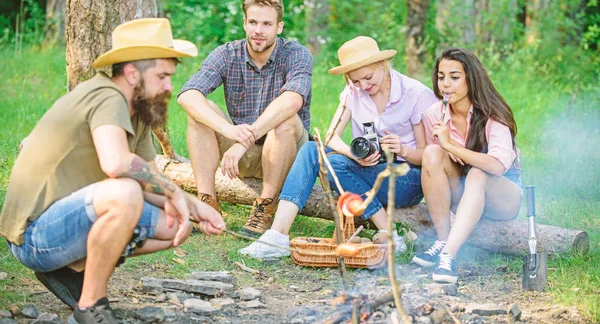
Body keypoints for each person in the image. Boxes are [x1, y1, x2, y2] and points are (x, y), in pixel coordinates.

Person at [0, 18, 225, 323]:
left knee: (173, 225)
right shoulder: (106, 95)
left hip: (65, 221)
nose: (170, 86)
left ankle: (72, 270)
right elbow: (117, 163)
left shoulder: (140, 111)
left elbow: (150, 180)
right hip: (32, 235)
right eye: (162, 76)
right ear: (132, 73)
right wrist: (174, 193)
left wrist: (195, 207)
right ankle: (90, 306)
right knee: (125, 192)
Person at [240, 36, 438, 259]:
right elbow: (331, 136)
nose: (363, 86)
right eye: (355, 81)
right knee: (311, 150)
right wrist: (352, 154)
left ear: (382, 65)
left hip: (406, 178)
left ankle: (388, 231)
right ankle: (277, 235)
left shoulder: (415, 94)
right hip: (368, 171)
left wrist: (402, 150)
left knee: (332, 163)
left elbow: (431, 157)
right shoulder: (353, 93)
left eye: (368, 77)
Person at [178, 0, 312, 238]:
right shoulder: (227, 54)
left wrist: (243, 141)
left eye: (266, 24)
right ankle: (207, 202)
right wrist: (228, 131)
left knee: (285, 120)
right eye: (253, 22)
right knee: (201, 111)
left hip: (288, 152)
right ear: (244, 23)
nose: (258, 30)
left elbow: (293, 100)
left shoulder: (296, 54)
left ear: (279, 27)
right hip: (244, 153)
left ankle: (265, 206)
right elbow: (187, 95)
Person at [412, 47, 522, 284]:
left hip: (503, 196)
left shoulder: (494, 114)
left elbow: (497, 166)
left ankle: (449, 255)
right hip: (463, 194)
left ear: (471, 79)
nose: (445, 85)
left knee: (479, 173)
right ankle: (442, 239)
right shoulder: (434, 114)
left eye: (454, 77)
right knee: (432, 153)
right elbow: (436, 165)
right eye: (441, 77)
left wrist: (452, 146)